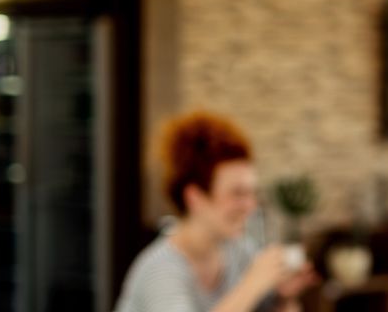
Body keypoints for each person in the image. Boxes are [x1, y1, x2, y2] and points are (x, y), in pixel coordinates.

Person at [115, 111, 318, 312]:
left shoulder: (241, 253)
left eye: (252, 193)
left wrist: (284, 298)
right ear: (195, 197)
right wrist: (253, 284)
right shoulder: (160, 271)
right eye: (237, 193)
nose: (251, 205)